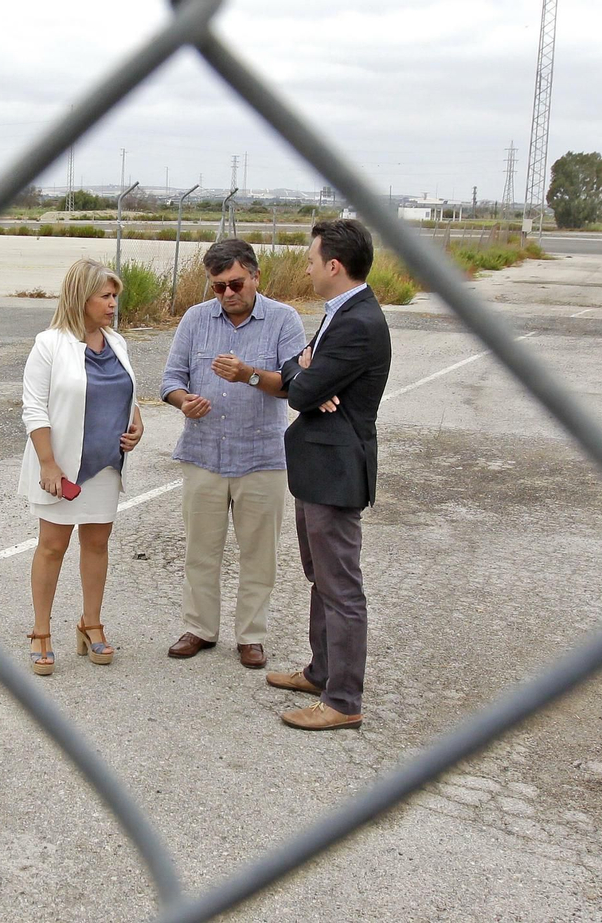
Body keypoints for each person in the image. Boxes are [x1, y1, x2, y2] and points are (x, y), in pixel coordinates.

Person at [266, 218, 392, 731]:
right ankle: (321, 672)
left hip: (336, 472)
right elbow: (301, 376)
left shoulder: (358, 323)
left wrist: (306, 375)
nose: (307, 269)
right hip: (318, 468)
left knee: (340, 587)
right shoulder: (342, 313)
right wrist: (307, 372)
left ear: (334, 266)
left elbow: (298, 390)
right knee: (320, 577)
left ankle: (342, 700)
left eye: (311, 261)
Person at [160, 239, 305, 669]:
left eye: (236, 283)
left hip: (261, 456)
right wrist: (183, 401)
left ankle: (251, 636)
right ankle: (200, 629)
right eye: (218, 286)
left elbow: (296, 386)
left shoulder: (284, 319)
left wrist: (249, 375)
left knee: (259, 554)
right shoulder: (195, 319)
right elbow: (170, 379)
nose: (227, 293)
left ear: (256, 277)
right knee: (200, 551)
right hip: (203, 453)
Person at [18, 258, 144, 675]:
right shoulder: (49, 344)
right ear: (81, 297)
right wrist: (48, 464)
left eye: (114, 296)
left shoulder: (116, 342)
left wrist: (137, 421)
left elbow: (124, 392)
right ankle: (40, 631)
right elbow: (34, 408)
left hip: (106, 465)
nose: (113, 304)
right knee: (52, 546)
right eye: (105, 296)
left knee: (97, 544)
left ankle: (91, 624)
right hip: (62, 469)